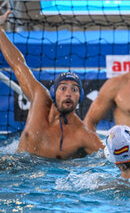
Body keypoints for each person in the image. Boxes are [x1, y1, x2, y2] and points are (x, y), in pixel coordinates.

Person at [0, 11, 104, 159]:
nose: (68, 93)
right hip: (13, 166)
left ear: (80, 97)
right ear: (53, 92)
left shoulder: (82, 135)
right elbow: (18, 64)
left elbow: (110, 157)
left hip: (46, 178)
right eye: (63, 88)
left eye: (74, 90)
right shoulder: (39, 98)